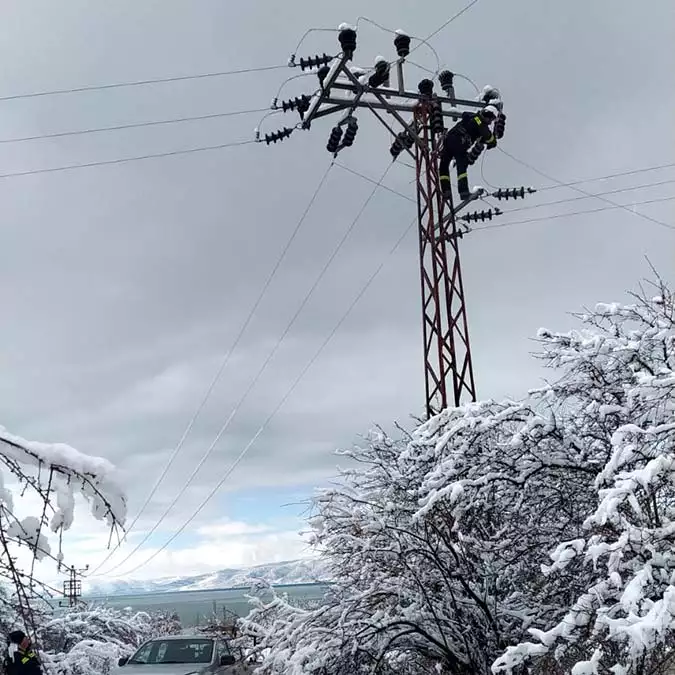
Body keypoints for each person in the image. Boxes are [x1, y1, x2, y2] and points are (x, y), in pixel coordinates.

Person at [439, 105, 499, 201]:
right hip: (459, 142)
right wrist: (493, 141)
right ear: (487, 116)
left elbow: (465, 115)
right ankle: (464, 193)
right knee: (461, 166)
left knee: (443, 166)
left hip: (449, 140)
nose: (490, 122)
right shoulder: (480, 121)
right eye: (490, 120)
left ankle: (446, 191)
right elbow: (489, 137)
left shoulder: (472, 116)